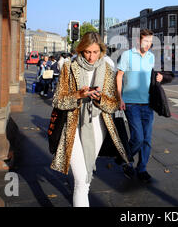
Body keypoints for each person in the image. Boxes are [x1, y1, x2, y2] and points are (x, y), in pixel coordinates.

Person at [50, 32, 129, 207]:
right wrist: (79, 95)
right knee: (81, 180)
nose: (91, 57)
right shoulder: (69, 67)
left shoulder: (108, 69)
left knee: (86, 179)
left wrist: (99, 98)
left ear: (101, 50)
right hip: (72, 126)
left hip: (97, 126)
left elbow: (113, 105)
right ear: (80, 50)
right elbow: (57, 100)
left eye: (95, 52)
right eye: (87, 52)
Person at [116, 29, 163, 183]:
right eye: (145, 41)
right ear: (138, 41)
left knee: (147, 139)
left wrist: (159, 77)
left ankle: (141, 168)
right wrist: (119, 97)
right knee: (138, 138)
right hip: (131, 103)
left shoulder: (151, 56)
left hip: (148, 104)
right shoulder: (126, 55)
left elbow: (150, 76)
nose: (148, 44)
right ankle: (125, 158)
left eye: (150, 41)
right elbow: (119, 76)